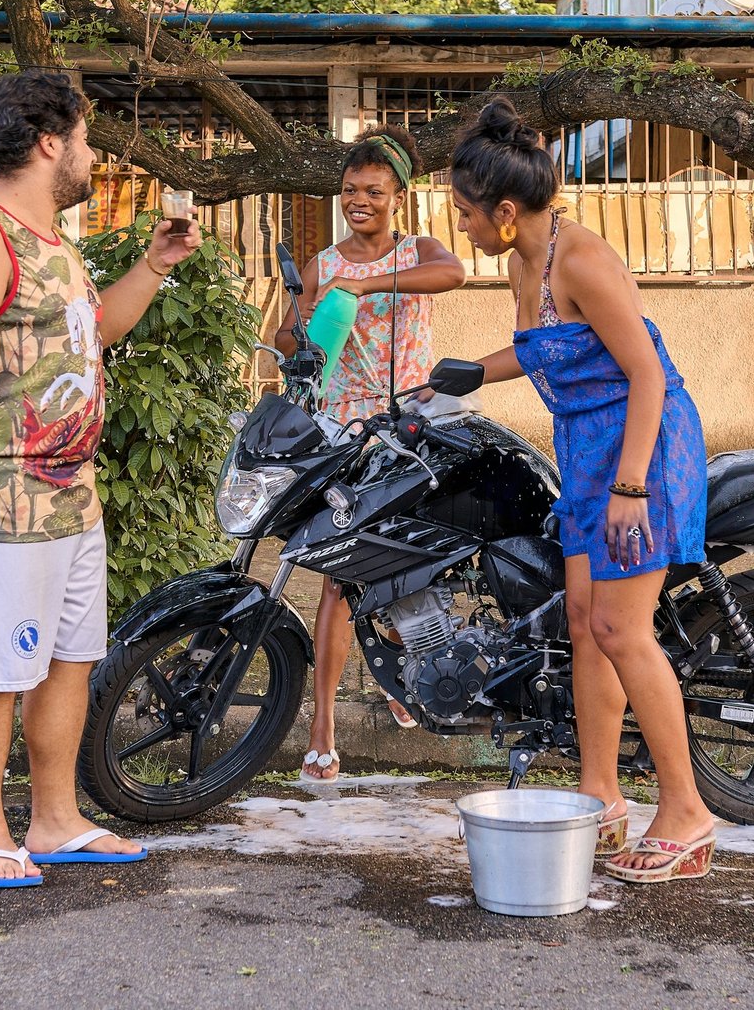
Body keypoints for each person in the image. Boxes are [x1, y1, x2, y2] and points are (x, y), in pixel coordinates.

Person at [0, 70, 202, 886]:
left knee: (67, 661)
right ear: (50, 141)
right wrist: (50, 408)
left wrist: (152, 265)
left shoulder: (49, 238)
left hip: (69, 497)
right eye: (83, 137)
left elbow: (91, 333)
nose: (89, 153)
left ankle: (54, 820)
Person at [448, 98, 717, 885]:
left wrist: (632, 485)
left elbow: (646, 374)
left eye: (465, 213)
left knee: (623, 629)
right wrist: (471, 373)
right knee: (583, 621)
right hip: (587, 453)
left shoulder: (582, 259)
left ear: (505, 210)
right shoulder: (519, 262)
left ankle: (687, 812)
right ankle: (601, 796)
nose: (460, 225)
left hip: (644, 449)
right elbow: (548, 351)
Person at [273, 128, 466, 782]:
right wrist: (297, 327)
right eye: (351, 190)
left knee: (413, 560)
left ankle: (398, 668)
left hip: (412, 423)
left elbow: (454, 272)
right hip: (346, 429)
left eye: (373, 191)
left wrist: (370, 284)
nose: (359, 200)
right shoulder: (324, 262)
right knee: (337, 574)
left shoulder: (419, 252)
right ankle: (323, 726)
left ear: (397, 196)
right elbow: (294, 332)